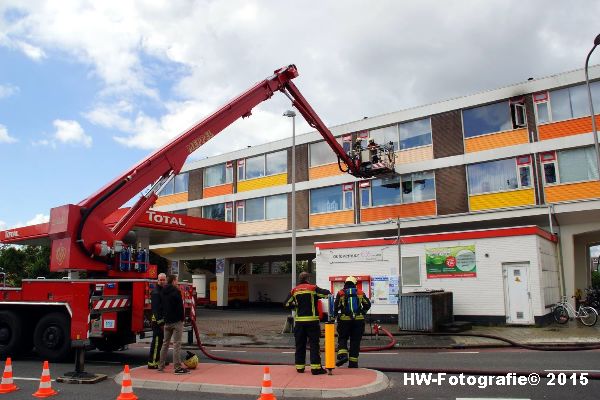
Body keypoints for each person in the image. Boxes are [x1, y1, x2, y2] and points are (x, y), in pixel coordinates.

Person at [284, 271, 331, 375]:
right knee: (314, 344)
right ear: (308, 279)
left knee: (300, 345)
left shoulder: (294, 290)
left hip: (299, 323)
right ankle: (315, 368)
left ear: (299, 279)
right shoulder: (313, 288)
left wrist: (295, 306)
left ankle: (300, 368)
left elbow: (286, 304)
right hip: (312, 322)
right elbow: (327, 293)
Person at [334, 276, 371, 368]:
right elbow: (367, 304)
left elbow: (336, 307)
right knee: (355, 341)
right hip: (358, 321)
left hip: (344, 321)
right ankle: (353, 363)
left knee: (343, 338)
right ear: (355, 284)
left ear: (345, 283)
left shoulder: (341, 293)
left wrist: (336, 315)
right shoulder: (360, 292)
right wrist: (362, 312)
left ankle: (343, 355)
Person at [158, 274, 190, 374]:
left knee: (165, 343)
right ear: (173, 281)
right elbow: (180, 307)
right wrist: (182, 319)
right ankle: (177, 367)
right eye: (176, 280)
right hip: (176, 321)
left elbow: (161, 306)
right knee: (176, 344)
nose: (177, 282)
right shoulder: (176, 291)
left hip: (167, 321)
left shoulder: (163, 291)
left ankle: (160, 365)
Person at [147, 273, 167, 369]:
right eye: (160, 280)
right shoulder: (156, 292)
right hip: (157, 321)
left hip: (162, 320)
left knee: (160, 342)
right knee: (156, 342)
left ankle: (158, 360)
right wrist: (161, 323)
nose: (162, 281)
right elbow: (156, 310)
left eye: (163, 280)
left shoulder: (162, 291)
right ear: (157, 281)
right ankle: (152, 362)